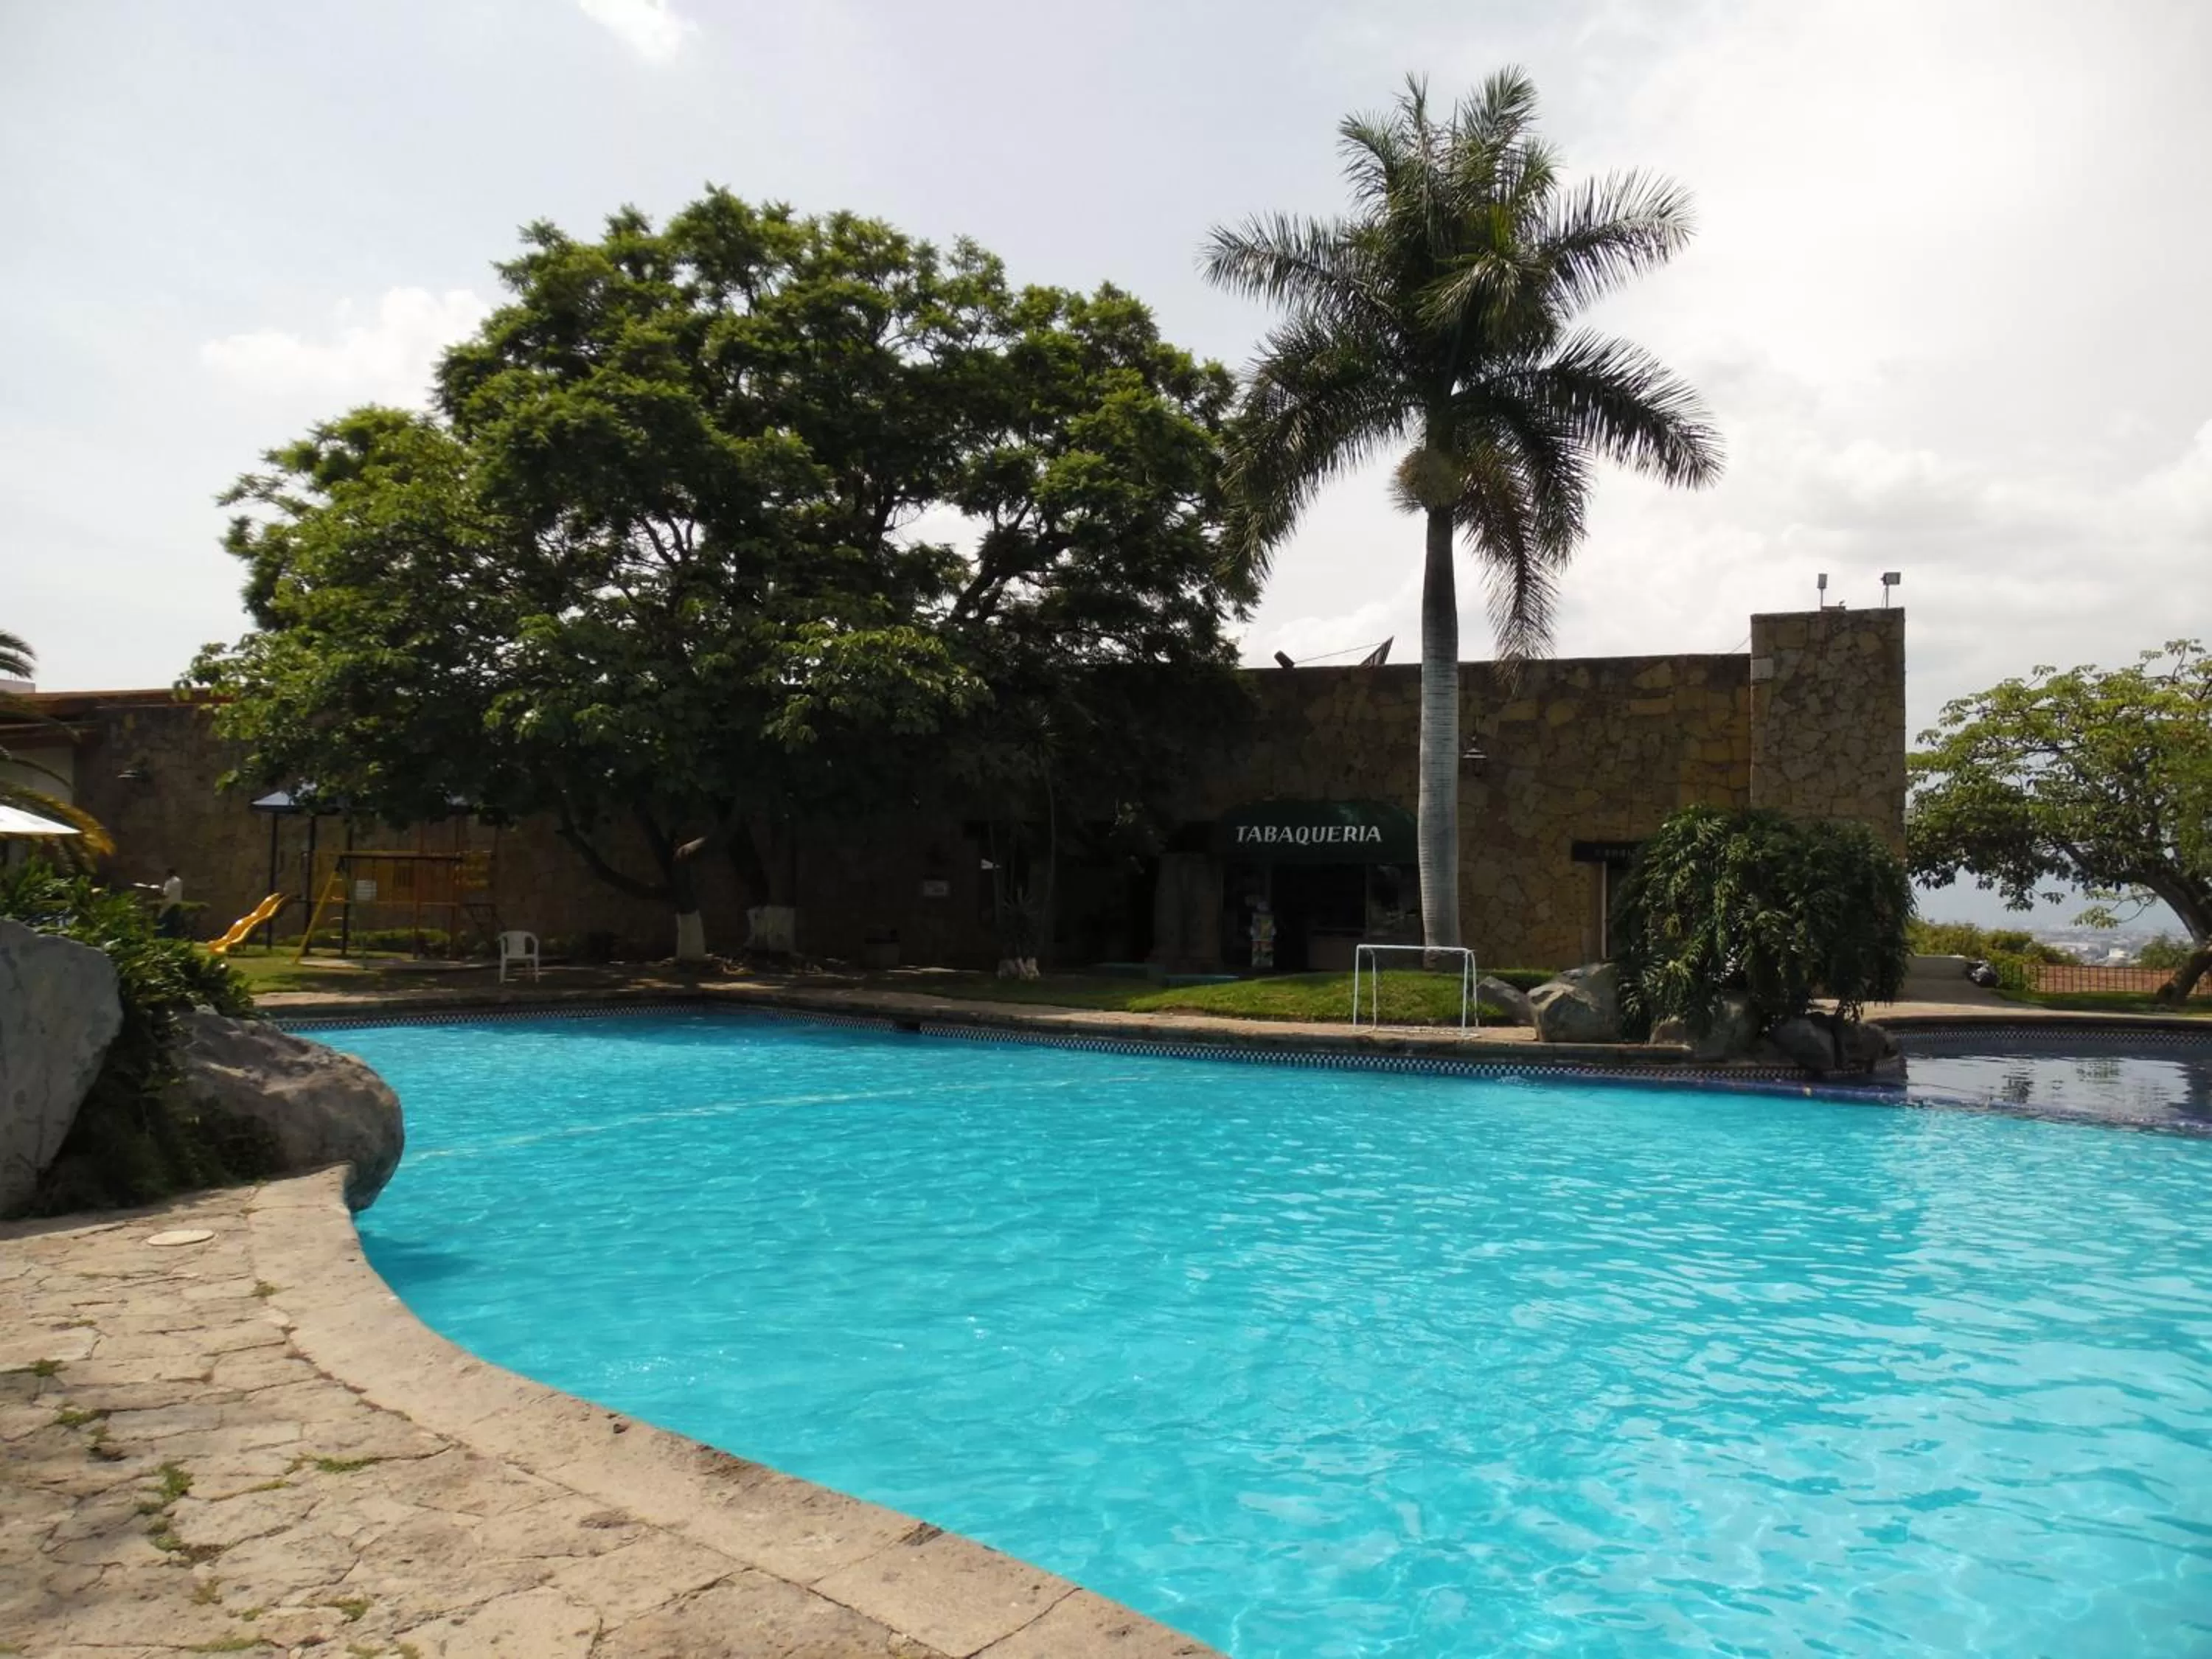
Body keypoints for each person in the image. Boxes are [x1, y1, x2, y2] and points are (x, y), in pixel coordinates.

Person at [1248, 897, 1276, 970]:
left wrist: (1272, 931)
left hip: (1266, 938)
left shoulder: (1269, 917)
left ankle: (1266, 966)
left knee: (1266, 952)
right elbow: (1254, 926)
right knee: (1258, 952)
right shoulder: (1256, 916)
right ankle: (1258, 966)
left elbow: (1271, 927)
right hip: (1258, 938)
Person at [156, 868, 184, 938]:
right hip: (177, 903)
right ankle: (174, 937)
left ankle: (164, 937)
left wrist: (158, 890)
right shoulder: (178, 881)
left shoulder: (170, 882)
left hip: (169, 905)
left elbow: (165, 894)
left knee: (164, 921)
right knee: (174, 923)